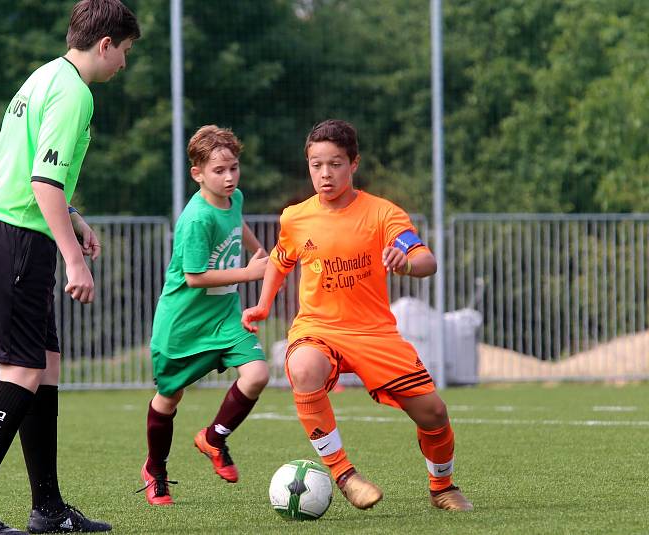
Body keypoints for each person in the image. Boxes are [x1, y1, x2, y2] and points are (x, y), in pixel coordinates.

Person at [0, 2, 140, 534]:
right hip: (11, 237)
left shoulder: (47, 74)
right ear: (105, 45)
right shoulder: (76, 91)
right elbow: (43, 183)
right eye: (124, 51)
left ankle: (47, 509)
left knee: (45, 366)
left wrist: (73, 219)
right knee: (23, 371)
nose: (124, 62)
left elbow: (34, 170)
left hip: (11, 229)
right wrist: (75, 260)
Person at [241, 119, 473, 512]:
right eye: (316, 164)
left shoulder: (382, 214)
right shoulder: (295, 217)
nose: (325, 174)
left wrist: (407, 265)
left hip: (374, 333)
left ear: (354, 164)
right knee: (302, 367)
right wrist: (263, 305)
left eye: (335, 164)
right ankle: (344, 475)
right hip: (318, 328)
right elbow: (280, 261)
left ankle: (442, 487)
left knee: (433, 413)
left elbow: (426, 259)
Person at [138, 125, 270, 506]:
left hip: (224, 317)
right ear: (197, 173)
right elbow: (195, 277)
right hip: (183, 325)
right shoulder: (197, 219)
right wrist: (249, 272)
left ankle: (214, 438)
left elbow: (238, 222)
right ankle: (156, 470)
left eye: (234, 167)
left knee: (258, 374)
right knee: (168, 399)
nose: (229, 177)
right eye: (219, 171)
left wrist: (260, 251)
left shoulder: (235, 197)